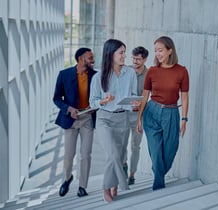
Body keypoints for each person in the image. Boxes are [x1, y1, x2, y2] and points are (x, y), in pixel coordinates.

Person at [89, 39, 139, 203]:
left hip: (122, 118)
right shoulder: (98, 77)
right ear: (111, 54)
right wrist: (103, 101)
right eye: (121, 53)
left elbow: (131, 98)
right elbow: (92, 102)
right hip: (104, 119)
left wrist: (135, 105)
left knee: (120, 155)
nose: (125, 56)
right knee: (112, 154)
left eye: (125, 52)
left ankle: (115, 185)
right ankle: (106, 189)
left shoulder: (130, 73)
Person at [136, 36, 189, 190]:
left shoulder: (182, 71)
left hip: (172, 112)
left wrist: (184, 119)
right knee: (155, 149)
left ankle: (158, 172)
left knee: (171, 148)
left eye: (160, 50)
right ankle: (158, 183)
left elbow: (184, 97)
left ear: (170, 50)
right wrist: (139, 118)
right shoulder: (152, 71)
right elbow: (145, 96)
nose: (157, 54)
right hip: (151, 112)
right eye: (155, 51)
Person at [53, 47, 97, 197]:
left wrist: (95, 106)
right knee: (68, 155)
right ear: (80, 59)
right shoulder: (64, 75)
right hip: (70, 119)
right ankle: (67, 179)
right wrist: (68, 108)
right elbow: (57, 98)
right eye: (90, 58)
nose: (93, 60)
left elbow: (99, 96)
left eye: (93, 58)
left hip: (87, 118)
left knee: (85, 154)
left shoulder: (96, 76)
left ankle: (82, 186)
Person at [122, 46, 149, 185]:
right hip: (125, 114)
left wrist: (142, 104)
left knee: (135, 146)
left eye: (138, 59)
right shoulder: (126, 71)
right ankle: (124, 164)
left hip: (140, 115)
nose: (135, 61)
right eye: (133, 58)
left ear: (145, 59)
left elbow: (151, 94)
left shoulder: (150, 74)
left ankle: (132, 174)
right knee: (122, 144)